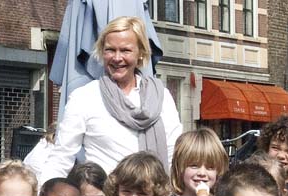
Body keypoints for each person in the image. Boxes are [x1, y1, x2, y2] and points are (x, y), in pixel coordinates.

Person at [41, 16, 182, 185]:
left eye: (125, 50)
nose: (117, 58)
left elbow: (174, 154)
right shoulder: (84, 98)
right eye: (110, 50)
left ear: (141, 53)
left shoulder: (162, 97)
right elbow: (61, 157)